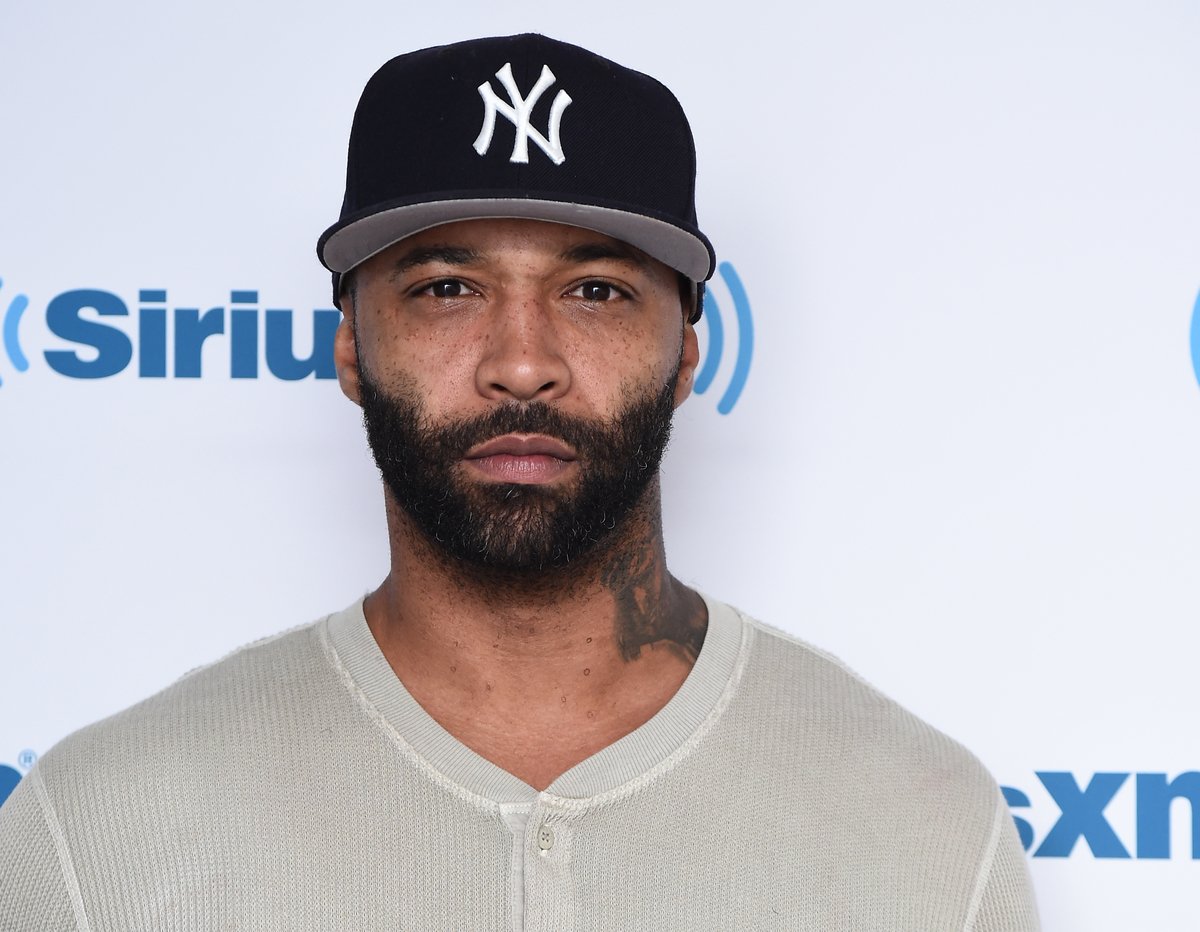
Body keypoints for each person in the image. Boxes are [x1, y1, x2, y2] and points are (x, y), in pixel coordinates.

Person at [0, 34, 1039, 930]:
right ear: (353, 347)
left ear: (685, 351)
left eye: (594, 289)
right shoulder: (97, 831)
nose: (522, 360)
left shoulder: (925, 828)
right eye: (447, 288)